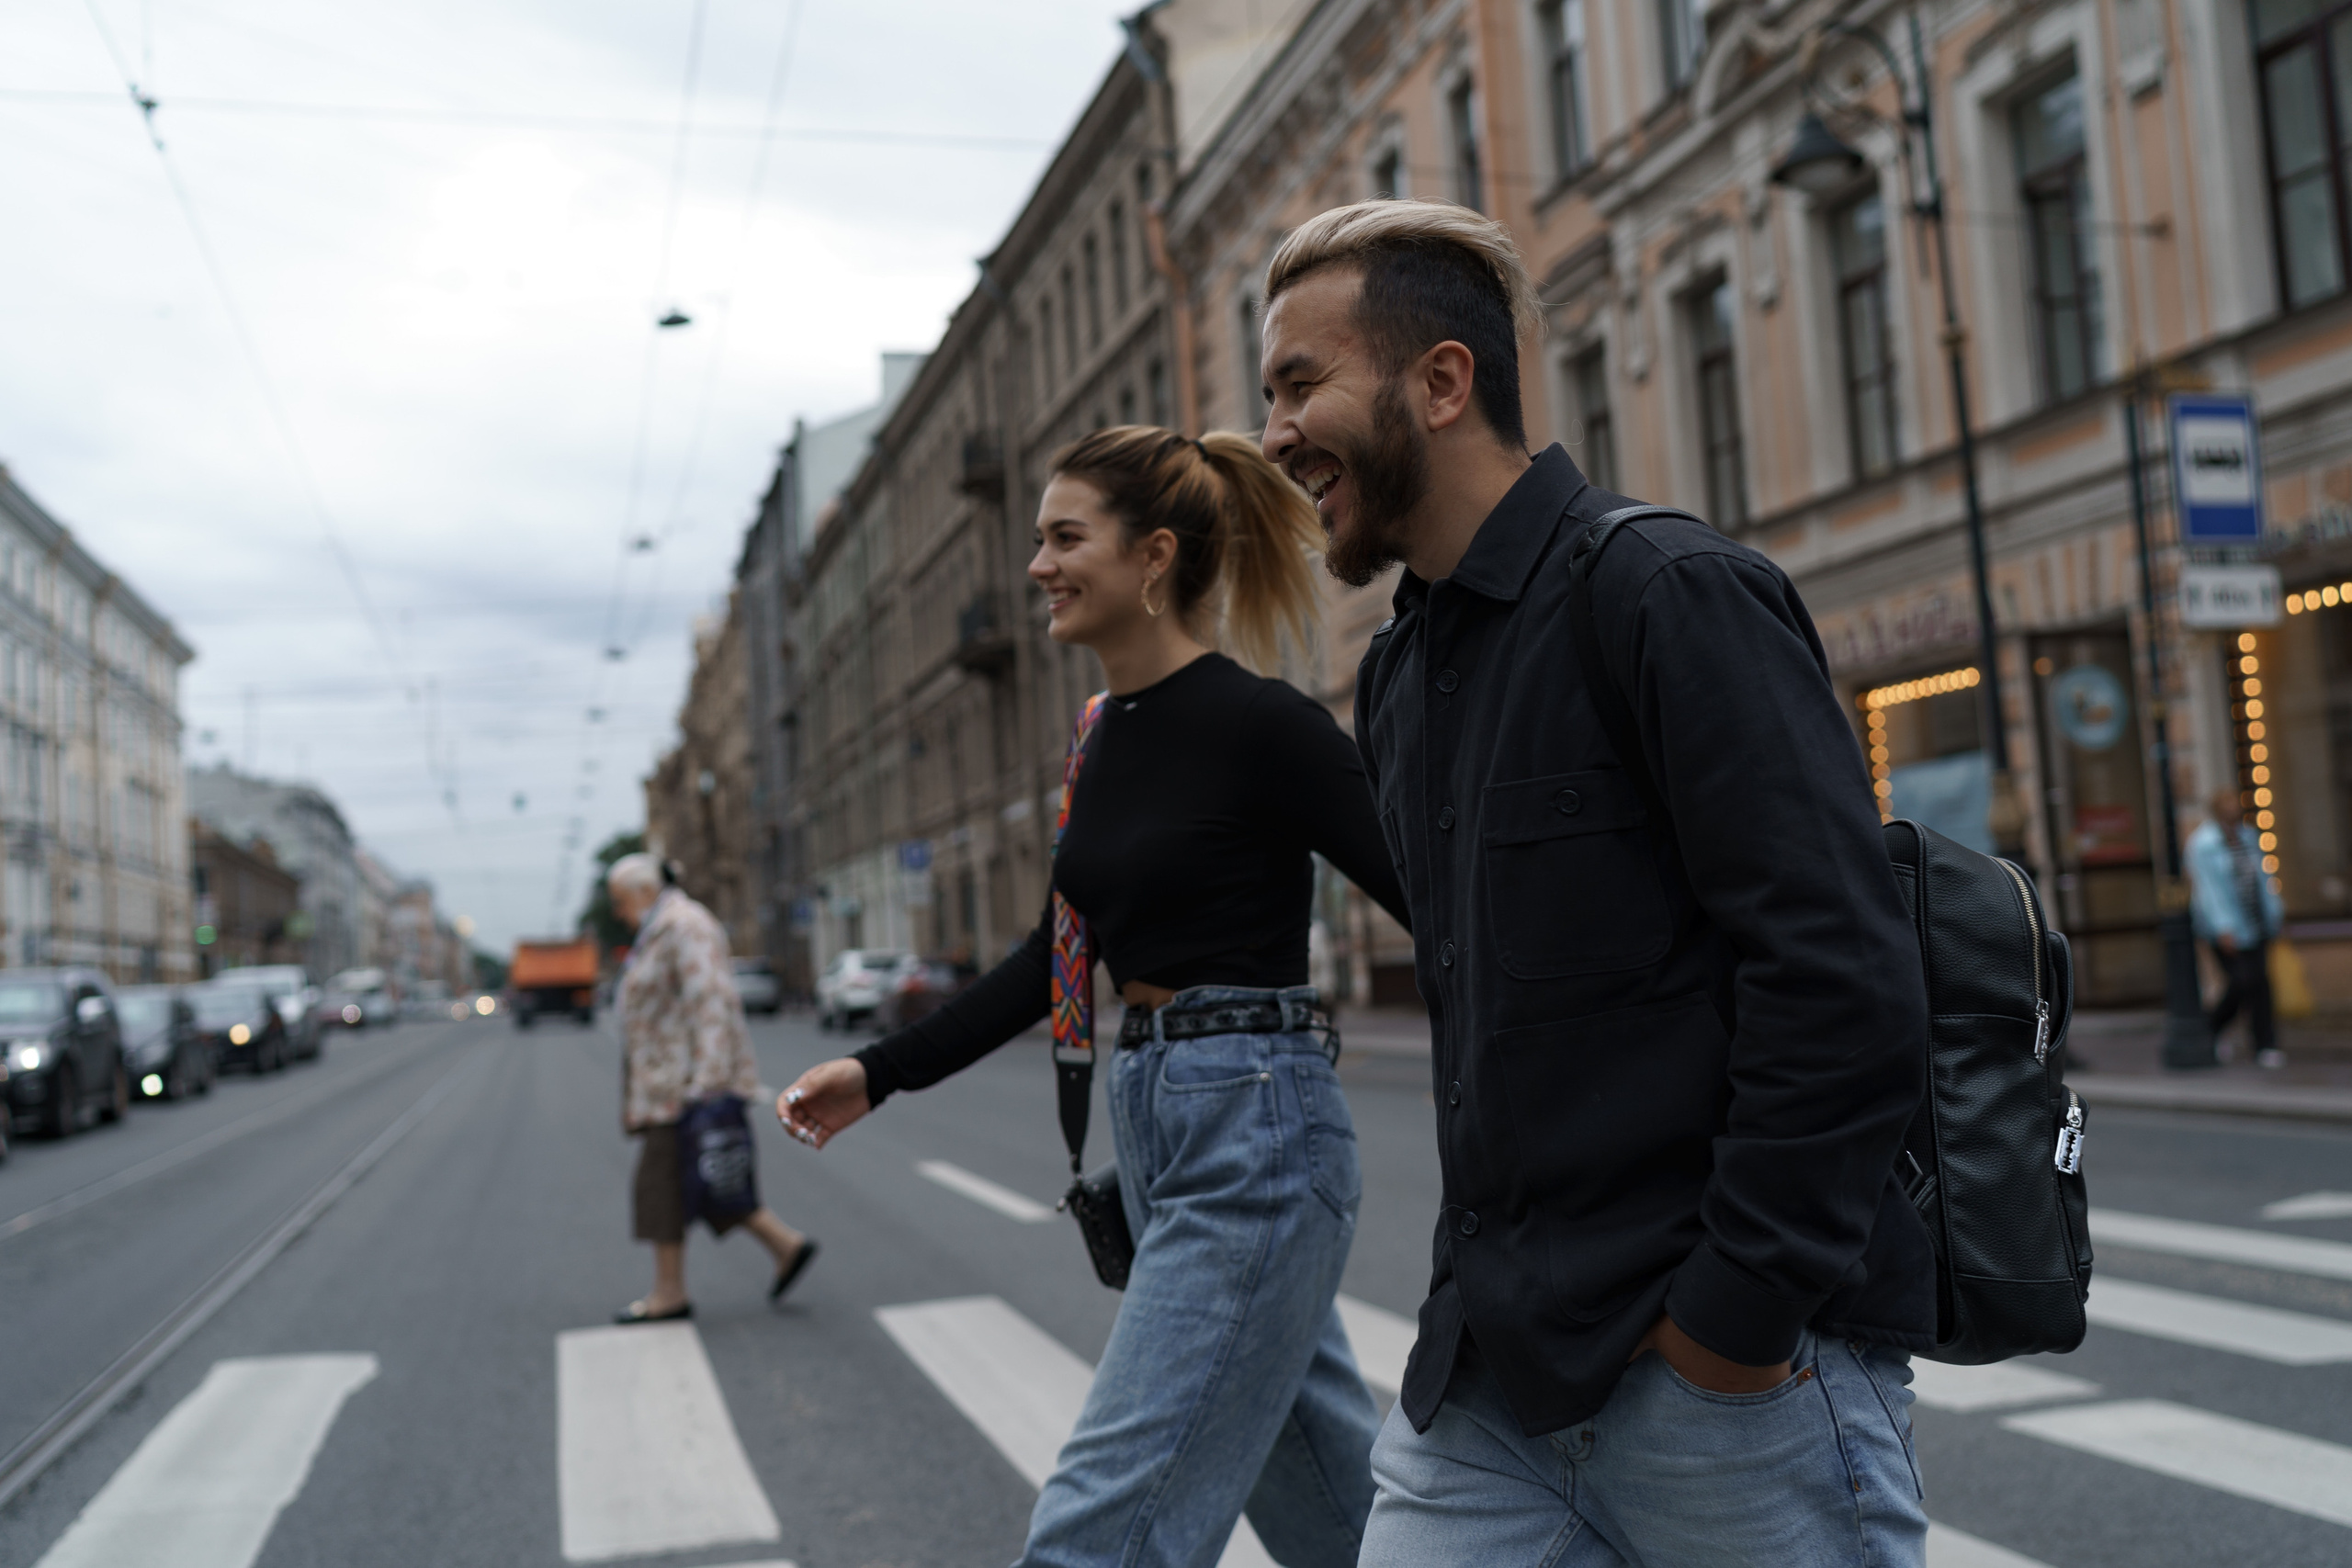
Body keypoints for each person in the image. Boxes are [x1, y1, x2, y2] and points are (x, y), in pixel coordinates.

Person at [1256, 197, 1936, 1566]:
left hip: (1723, 1388)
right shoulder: (1398, 671)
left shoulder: (1665, 591)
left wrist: (1731, 1326)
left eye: (1299, 384)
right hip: (1488, 1396)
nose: (1274, 434)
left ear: (1442, 380)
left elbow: (1844, 979)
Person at [775, 425, 1412, 1568]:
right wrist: (880, 1070)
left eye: (1066, 538)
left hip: (1254, 1128)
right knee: (1333, 1516)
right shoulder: (1096, 741)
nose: (1037, 567)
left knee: (1099, 1532)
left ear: (1153, 556)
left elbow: (1442, 903)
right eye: (1039, 540)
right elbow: (1054, 958)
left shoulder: (1264, 727)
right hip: (1164, 1125)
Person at [607, 852, 819, 1323]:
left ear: (644, 892)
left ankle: (669, 1294)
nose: (618, 913)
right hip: (670, 1082)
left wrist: (706, 1083)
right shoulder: (661, 928)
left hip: (682, 1087)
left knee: (659, 1188)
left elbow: (711, 1003)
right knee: (707, 1180)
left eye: (620, 901)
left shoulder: (684, 926)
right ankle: (786, 1246)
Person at [2188, 788, 2287, 1067]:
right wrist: (2224, 926)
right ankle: (2211, 1028)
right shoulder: (2203, 844)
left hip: (2256, 923)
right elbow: (2209, 890)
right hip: (2226, 929)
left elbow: (2264, 877)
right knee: (2242, 982)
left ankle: (2266, 1044)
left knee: (2261, 984)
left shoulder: (2248, 836)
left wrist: (2275, 913)